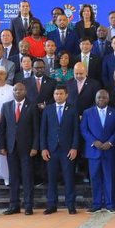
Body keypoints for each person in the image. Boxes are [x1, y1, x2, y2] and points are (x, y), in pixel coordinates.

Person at [0, 83, 39, 216]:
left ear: (25, 91)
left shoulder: (32, 105)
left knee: (27, 178)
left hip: (27, 149)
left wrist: (35, 146)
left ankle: (28, 206)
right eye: (15, 89)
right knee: (13, 178)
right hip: (11, 148)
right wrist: (2, 146)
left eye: (20, 89)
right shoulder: (6, 106)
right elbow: (2, 128)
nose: (17, 92)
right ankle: (14, 205)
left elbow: (36, 129)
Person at [40, 85, 80, 214]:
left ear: (66, 95)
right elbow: (43, 131)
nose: (58, 96)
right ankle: (51, 204)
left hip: (67, 150)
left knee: (69, 178)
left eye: (61, 94)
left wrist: (74, 147)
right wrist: (43, 148)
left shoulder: (73, 109)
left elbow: (76, 131)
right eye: (56, 94)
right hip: (51, 150)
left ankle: (70, 204)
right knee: (51, 179)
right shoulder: (48, 109)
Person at [81, 90, 115, 214]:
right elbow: (84, 129)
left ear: (108, 99)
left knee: (109, 178)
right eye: (99, 97)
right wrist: (94, 141)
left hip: (109, 150)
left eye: (104, 97)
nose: (101, 100)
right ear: (95, 98)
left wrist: (110, 142)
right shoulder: (87, 112)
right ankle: (96, 204)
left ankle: (110, 204)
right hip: (94, 151)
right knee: (95, 178)